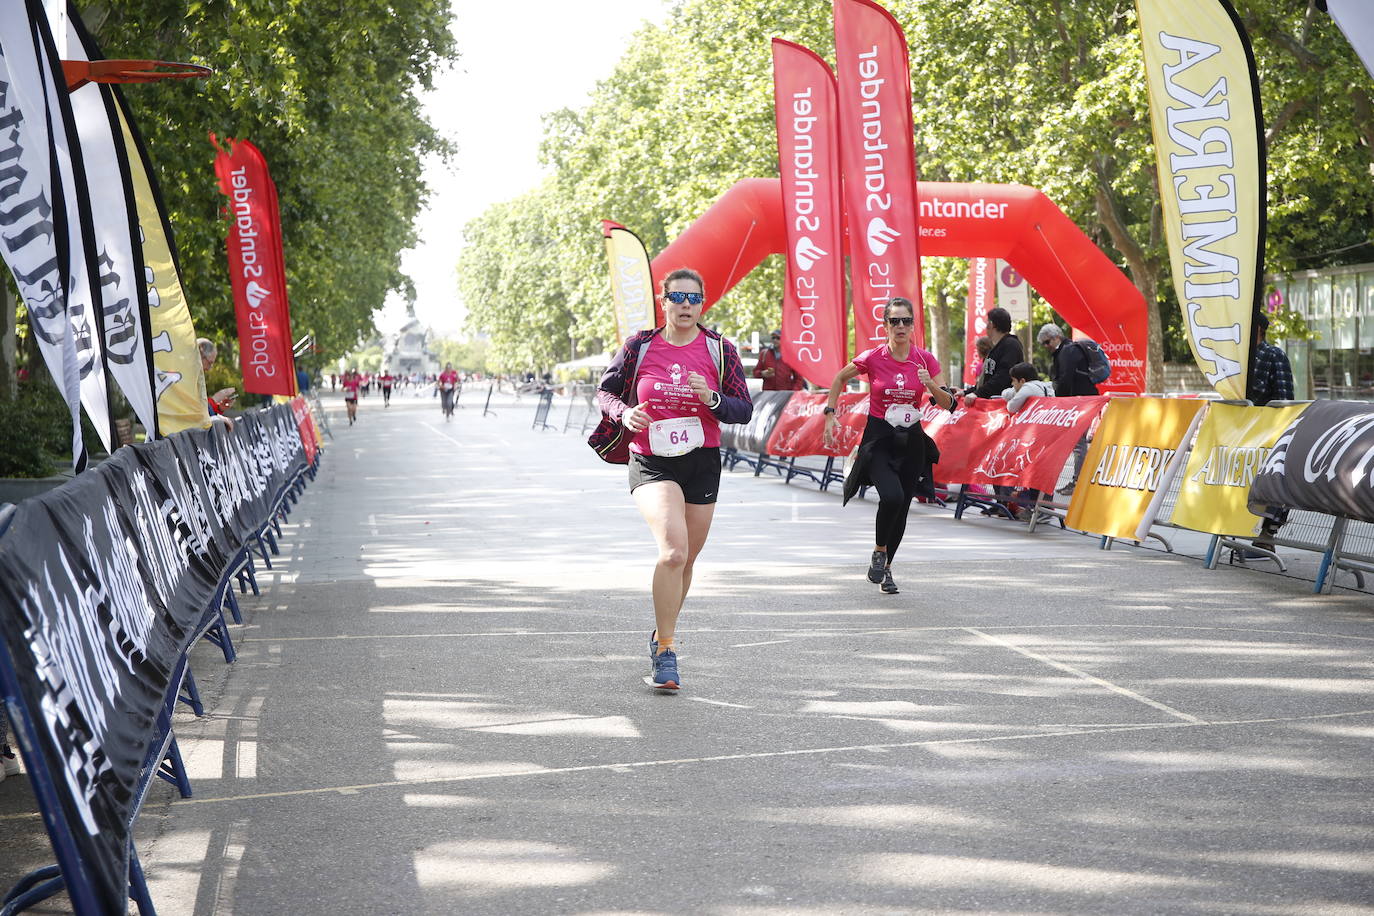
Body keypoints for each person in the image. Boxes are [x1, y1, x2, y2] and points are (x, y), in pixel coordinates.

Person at [596, 267, 752, 691]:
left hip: (701, 459)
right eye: (677, 298)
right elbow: (605, 391)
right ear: (663, 301)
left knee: (687, 559)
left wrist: (712, 398)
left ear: (703, 304)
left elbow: (743, 409)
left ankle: (659, 632)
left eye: (694, 299)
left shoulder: (721, 349)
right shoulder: (640, 346)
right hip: (652, 458)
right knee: (672, 553)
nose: (686, 306)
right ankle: (666, 649)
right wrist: (623, 412)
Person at [823, 296, 952, 595]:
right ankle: (879, 550)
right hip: (880, 438)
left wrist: (931, 385)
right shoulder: (873, 357)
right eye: (894, 321)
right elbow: (839, 378)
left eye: (906, 320)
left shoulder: (926, 360)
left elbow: (948, 404)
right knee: (891, 498)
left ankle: (888, 568)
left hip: (912, 441)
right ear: (885, 325)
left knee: (903, 508)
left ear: (913, 326)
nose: (901, 326)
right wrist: (830, 414)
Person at [1247, 313, 1296, 558]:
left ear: (1257, 328)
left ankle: (1266, 535)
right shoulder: (1236, 358)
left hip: (1268, 433)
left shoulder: (1274, 355)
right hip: (1241, 434)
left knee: (1271, 480)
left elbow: (1285, 399)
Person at [1037, 323, 1099, 494]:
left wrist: (1058, 402)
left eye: (1047, 342)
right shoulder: (1067, 350)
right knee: (1078, 443)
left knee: (1078, 443)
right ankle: (1079, 480)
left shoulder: (1067, 351)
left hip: (1079, 401)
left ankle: (1078, 481)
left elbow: (1065, 380)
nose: (1046, 347)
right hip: (1081, 399)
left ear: (1057, 336)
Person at [1001, 362, 1056, 520]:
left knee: (1034, 471)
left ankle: (1037, 510)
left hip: (1036, 435)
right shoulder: (1045, 387)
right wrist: (1012, 391)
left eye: (1014, 381)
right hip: (1048, 433)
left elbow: (1012, 406)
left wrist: (1010, 397)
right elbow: (1010, 392)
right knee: (1042, 471)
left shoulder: (1028, 388)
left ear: (1022, 381)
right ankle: (1042, 508)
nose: (1012, 384)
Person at [964, 307, 1024, 404]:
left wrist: (978, 394)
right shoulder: (995, 348)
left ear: (992, 324)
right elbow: (987, 380)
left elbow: (1003, 377)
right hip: (991, 404)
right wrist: (965, 392)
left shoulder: (1011, 345)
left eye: (987, 322)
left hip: (1002, 405)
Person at [198, 338, 237, 416]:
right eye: (209, 363)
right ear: (199, 355)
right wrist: (215, 400)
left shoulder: (196, 377)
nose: (209, 368)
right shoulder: (183, 378)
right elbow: (195, 414)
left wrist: (218, 408)